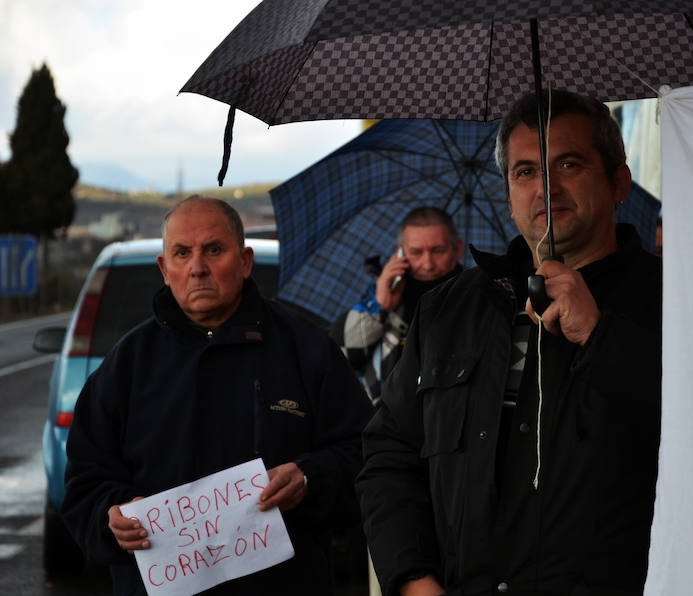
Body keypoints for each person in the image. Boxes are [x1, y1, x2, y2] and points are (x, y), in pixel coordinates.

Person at [356, 90, 662, 596]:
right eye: (525, 172)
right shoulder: (450, 309)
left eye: (568, 163)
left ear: (619, 182)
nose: (546, 188)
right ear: (508, 193)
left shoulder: (679, 303)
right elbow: (389, 454)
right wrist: (412, 579)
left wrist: (600, 335)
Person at [62, 196, 374, 595]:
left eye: (213, 250)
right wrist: (112, 517)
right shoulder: (127, 364)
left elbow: (365, 453)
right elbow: (85, 481)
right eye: (182, 253)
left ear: (244, 262)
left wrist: (311, 477)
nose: (197, 268)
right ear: (164, 269)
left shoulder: (306, 350)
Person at [332, 206, 463, 401]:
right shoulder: (383, 294)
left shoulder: (474, 296)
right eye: (416, 252)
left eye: (438, 251)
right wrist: (379, 306)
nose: (427, 264)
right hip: (383, 423)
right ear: (400, 252)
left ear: (457, 249)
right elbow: (337, 357)